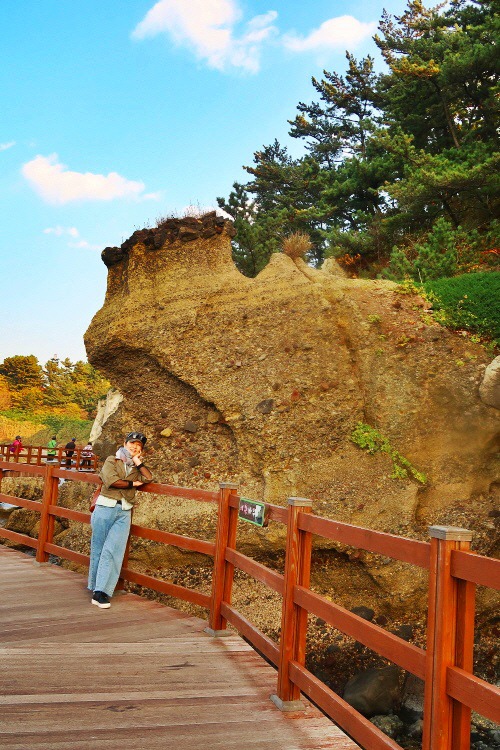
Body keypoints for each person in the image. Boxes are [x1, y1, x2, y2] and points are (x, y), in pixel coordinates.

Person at [88, 431, 153, 609]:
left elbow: (149, 478)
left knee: (114, 551)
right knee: (99, 548)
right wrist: (132, 484)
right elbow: (111, 481)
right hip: (105, 507)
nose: (135, 447)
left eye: (139, 446)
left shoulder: (136, 467)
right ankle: (95, 587)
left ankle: (101, 592)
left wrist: (138, 461)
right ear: (124, 444)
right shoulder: (112, 460)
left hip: (124, 511)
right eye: (132, 443)